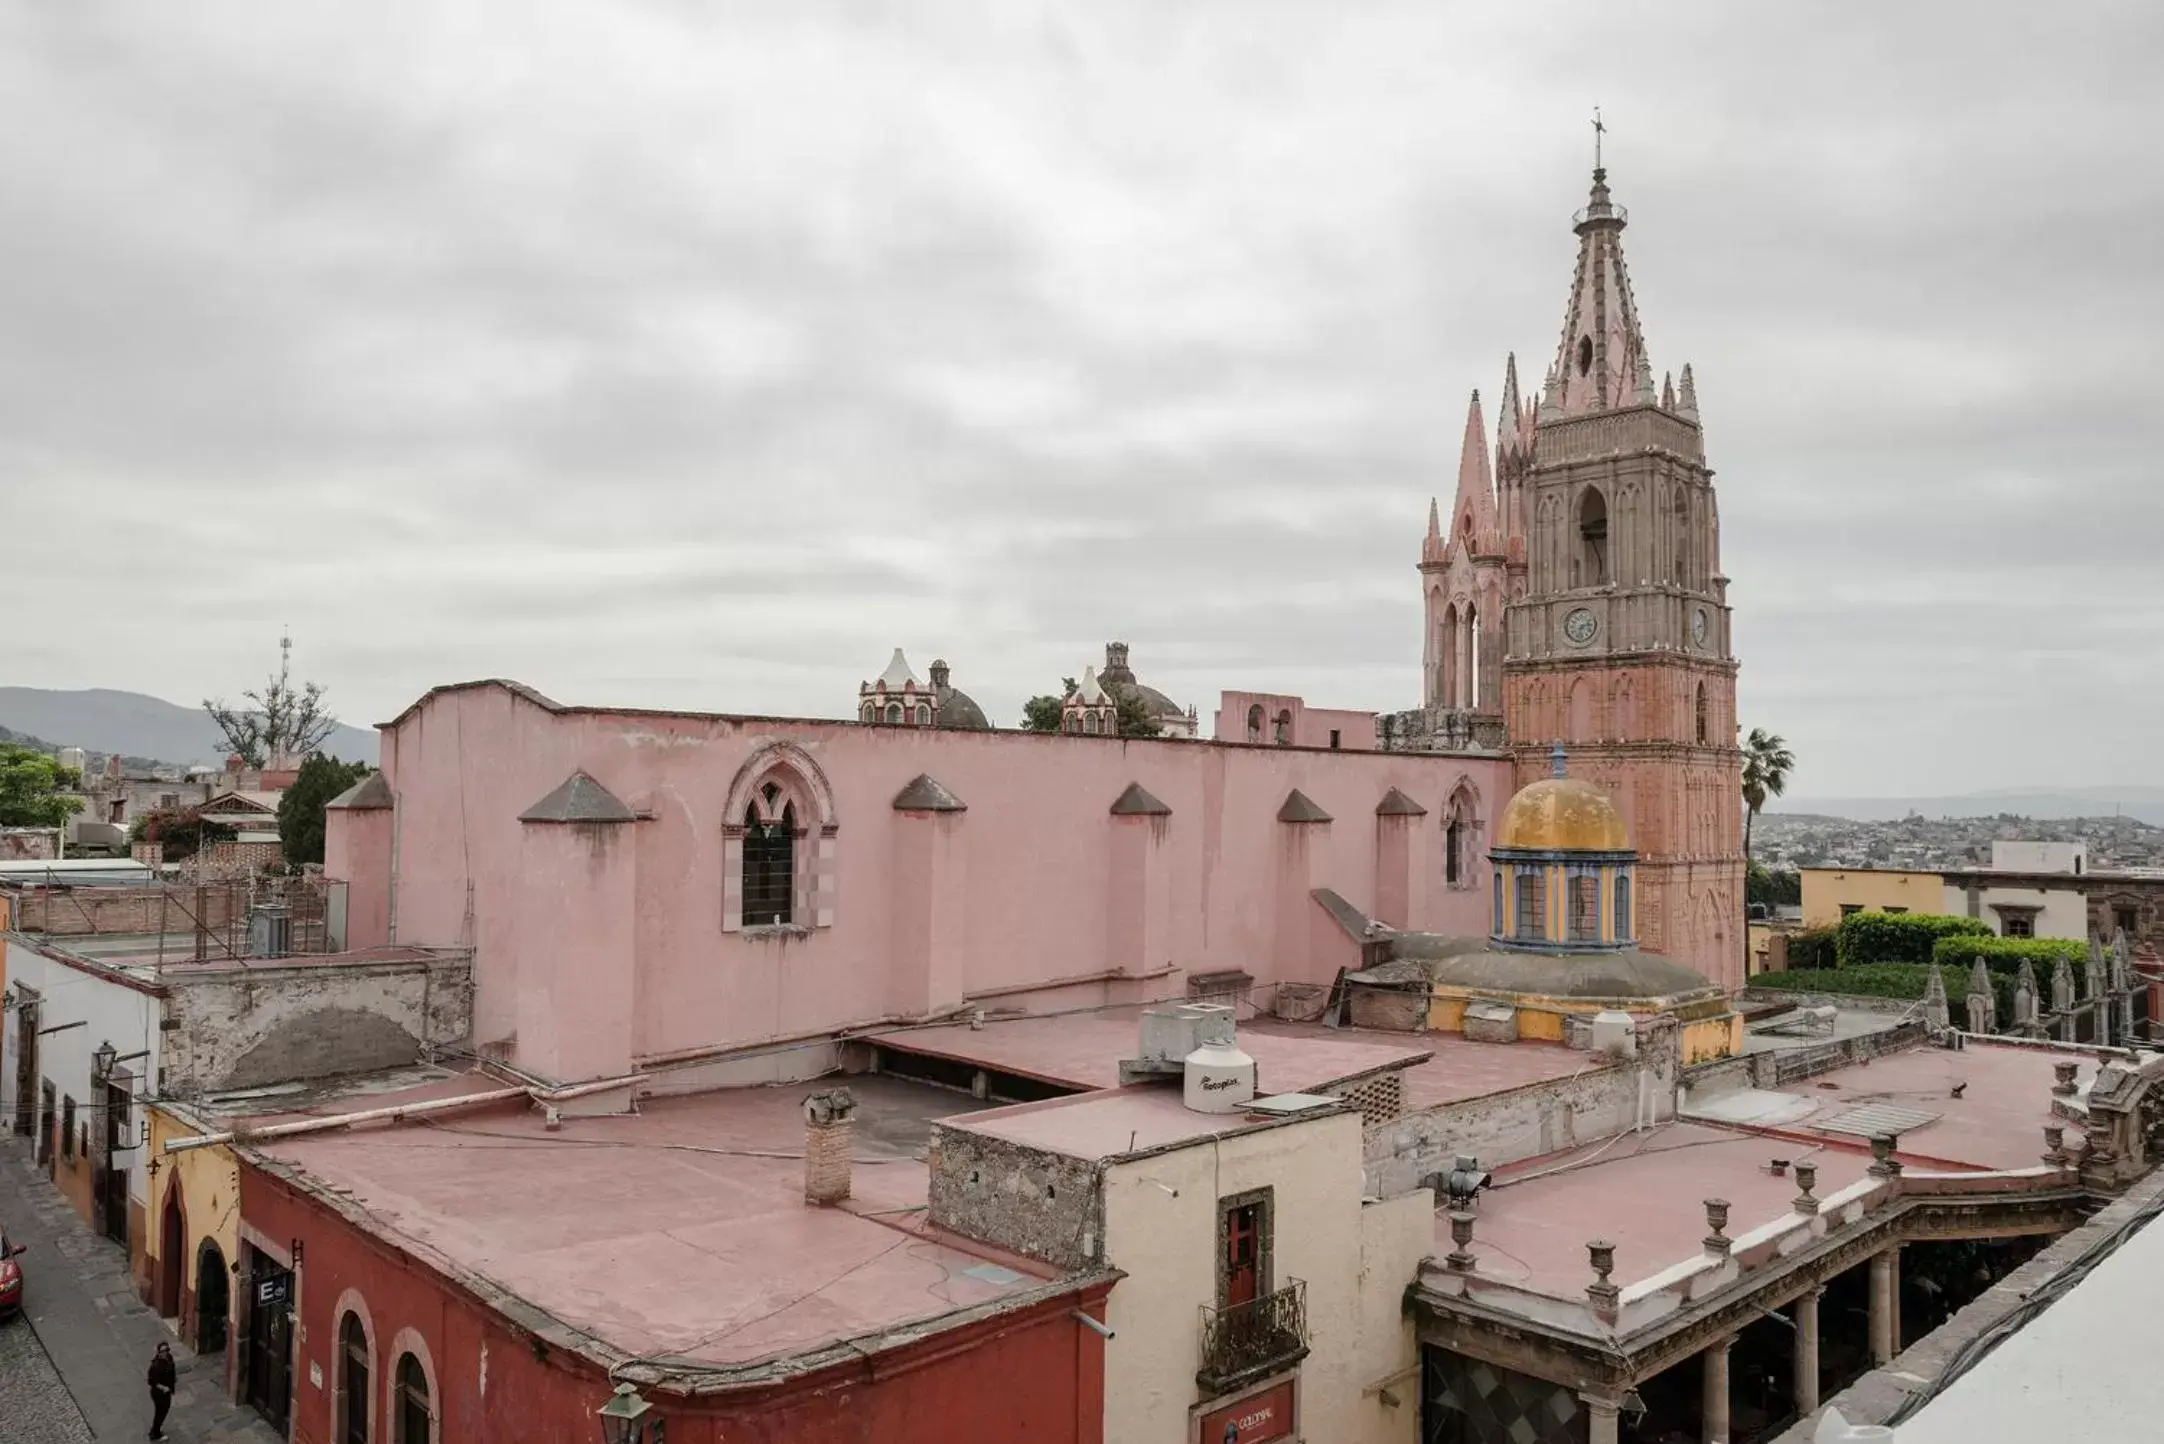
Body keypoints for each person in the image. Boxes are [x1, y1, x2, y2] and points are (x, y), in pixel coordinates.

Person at [147, 1342, 176, 1439]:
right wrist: (164, 1388)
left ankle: (154, 1430)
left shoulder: (169, 1358)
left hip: (167, 1392)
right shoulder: (156, 1365)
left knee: (164, 1411)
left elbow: (171, 1370)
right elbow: (151, 1381)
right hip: (159, 1394)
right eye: (163, 1351)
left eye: (167, 1350)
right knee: (160, 1413)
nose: (165, 1352)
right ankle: (156, 1434)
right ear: (158, 1352)